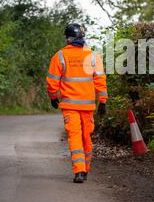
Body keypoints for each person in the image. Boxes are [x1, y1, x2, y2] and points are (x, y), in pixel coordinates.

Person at [46, 23, 108, 183]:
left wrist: (53, 97)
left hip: (69, 106)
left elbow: (52, 82)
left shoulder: (59, 56)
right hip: (87, 106)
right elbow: (100, 79)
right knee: (86, 136)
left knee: (75, 136)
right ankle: (84, 169)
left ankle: (79, 171)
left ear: (67, 39)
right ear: (82, 37)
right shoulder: (93, 56)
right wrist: (103, 101)